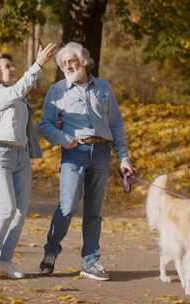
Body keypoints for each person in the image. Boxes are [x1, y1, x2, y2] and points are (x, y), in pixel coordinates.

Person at [38, 42, 134, 281]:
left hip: (101, 153)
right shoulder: (57, 91)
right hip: (74, 152)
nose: (68, 65)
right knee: (67, 206)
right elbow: (44, 125)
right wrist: (64, 138)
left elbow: (116, 125)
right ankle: (51, 250)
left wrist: (123, 157)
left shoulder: (103, 87)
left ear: (84, 60)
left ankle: (91, 262)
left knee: (94, 211)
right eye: (64, 63)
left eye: (72, 60)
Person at [0, 43, 57, 279]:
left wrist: (49, 129)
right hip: (0, 155)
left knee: (20, 211)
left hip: (21, 155)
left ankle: (5, 261)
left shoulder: (17, 96)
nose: (12, 69)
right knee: (7, 208)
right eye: (7, 66)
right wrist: (38, 65)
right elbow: (17, 91)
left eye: (13, 65)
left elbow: (19, 128)